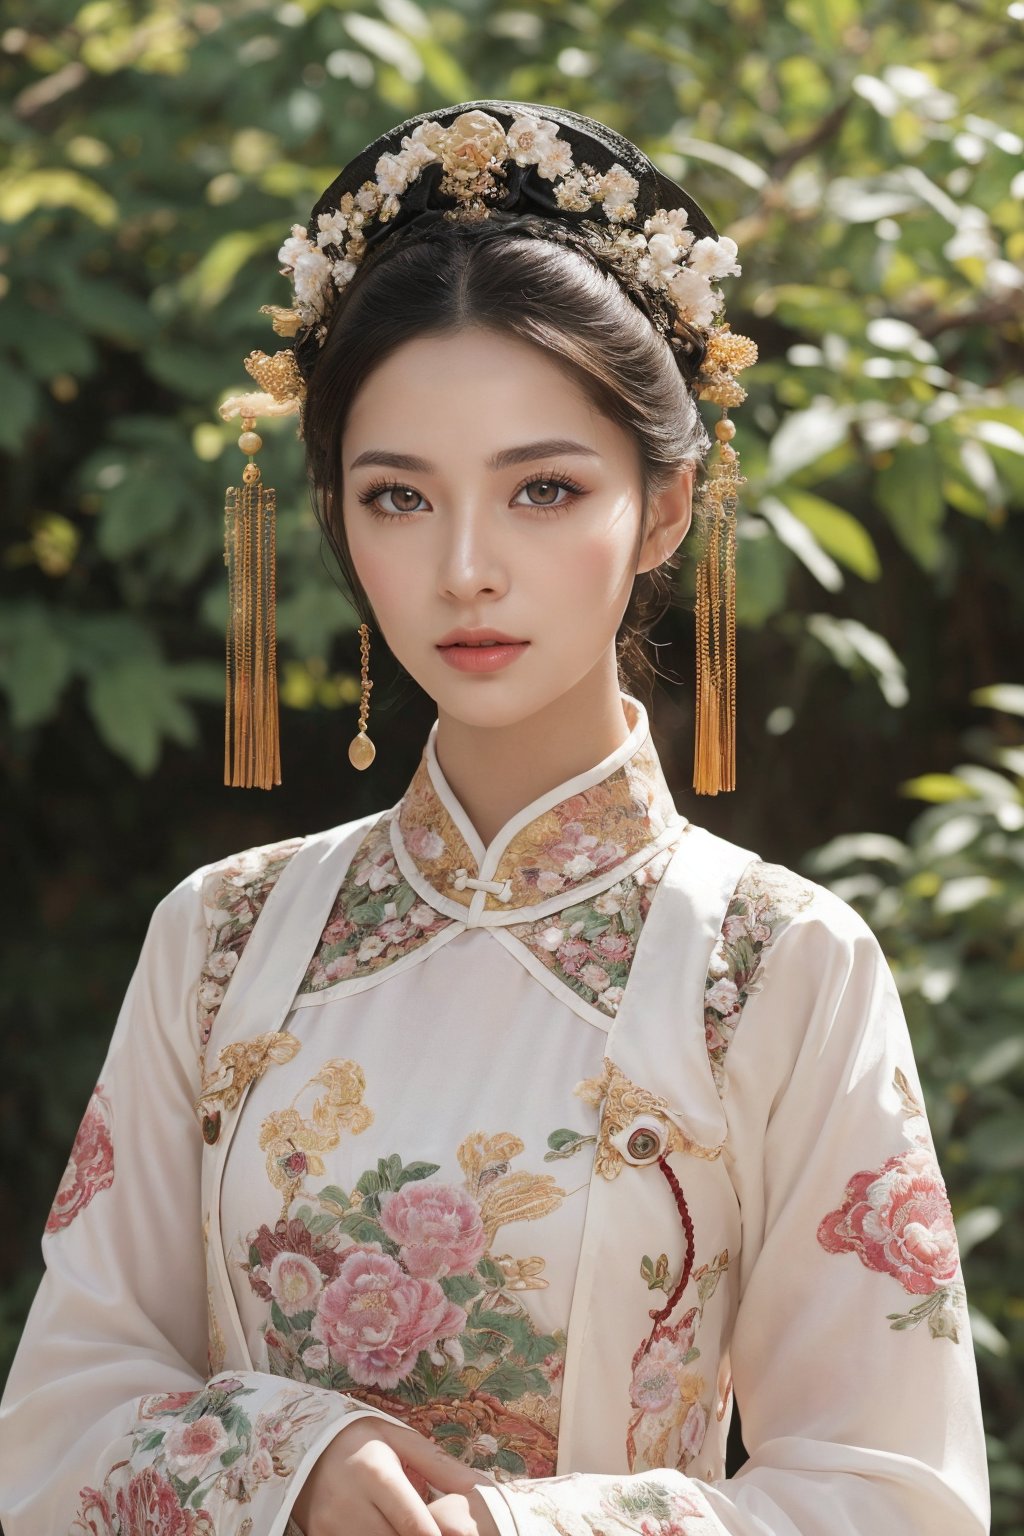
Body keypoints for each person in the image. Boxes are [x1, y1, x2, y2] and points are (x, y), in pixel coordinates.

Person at [0, 101, 989, 1536]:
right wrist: (293, 1462)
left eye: (543, 488)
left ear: (663, 508)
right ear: (337, 524)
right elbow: (57, 1419)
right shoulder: (224, 938)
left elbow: (895, 1497)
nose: (466, 569)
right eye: (399, 497)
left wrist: (520, 1529)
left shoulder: (774, 964)